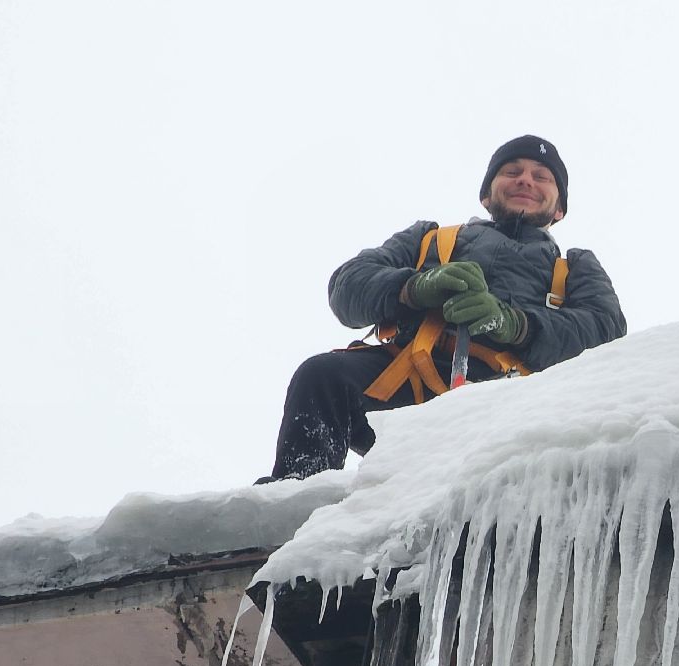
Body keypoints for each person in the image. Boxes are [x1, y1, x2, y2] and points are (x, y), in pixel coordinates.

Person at [261, 135, 627, 482]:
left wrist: (517, 325)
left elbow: (606, 330)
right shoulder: (430, 239)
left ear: (559, 208)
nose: (525, 181)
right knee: (323, 377)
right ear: (486, 194)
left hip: (513, 402)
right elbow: (347, 286)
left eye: (541, 177)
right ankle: (295, 495)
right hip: (412, 381)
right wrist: (413, 288)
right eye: (512, 172)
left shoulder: (574, 268)